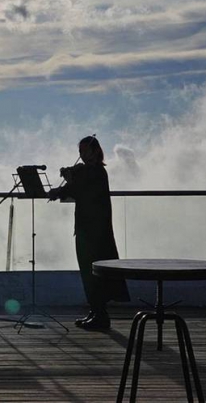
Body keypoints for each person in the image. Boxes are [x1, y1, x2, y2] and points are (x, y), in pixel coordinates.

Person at [49, 136, 129, 330]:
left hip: (95, 231)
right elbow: (75, 188)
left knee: (94, 272)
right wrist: (61, 188)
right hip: (87, 228)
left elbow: (79, 190)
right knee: (88, 272)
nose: (82, 156)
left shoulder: (97, 173)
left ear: (95, 152)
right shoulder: (88, 172)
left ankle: (100, 315)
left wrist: (68, 181)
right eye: (80, 152)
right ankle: (96, 311)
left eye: (85, 151)